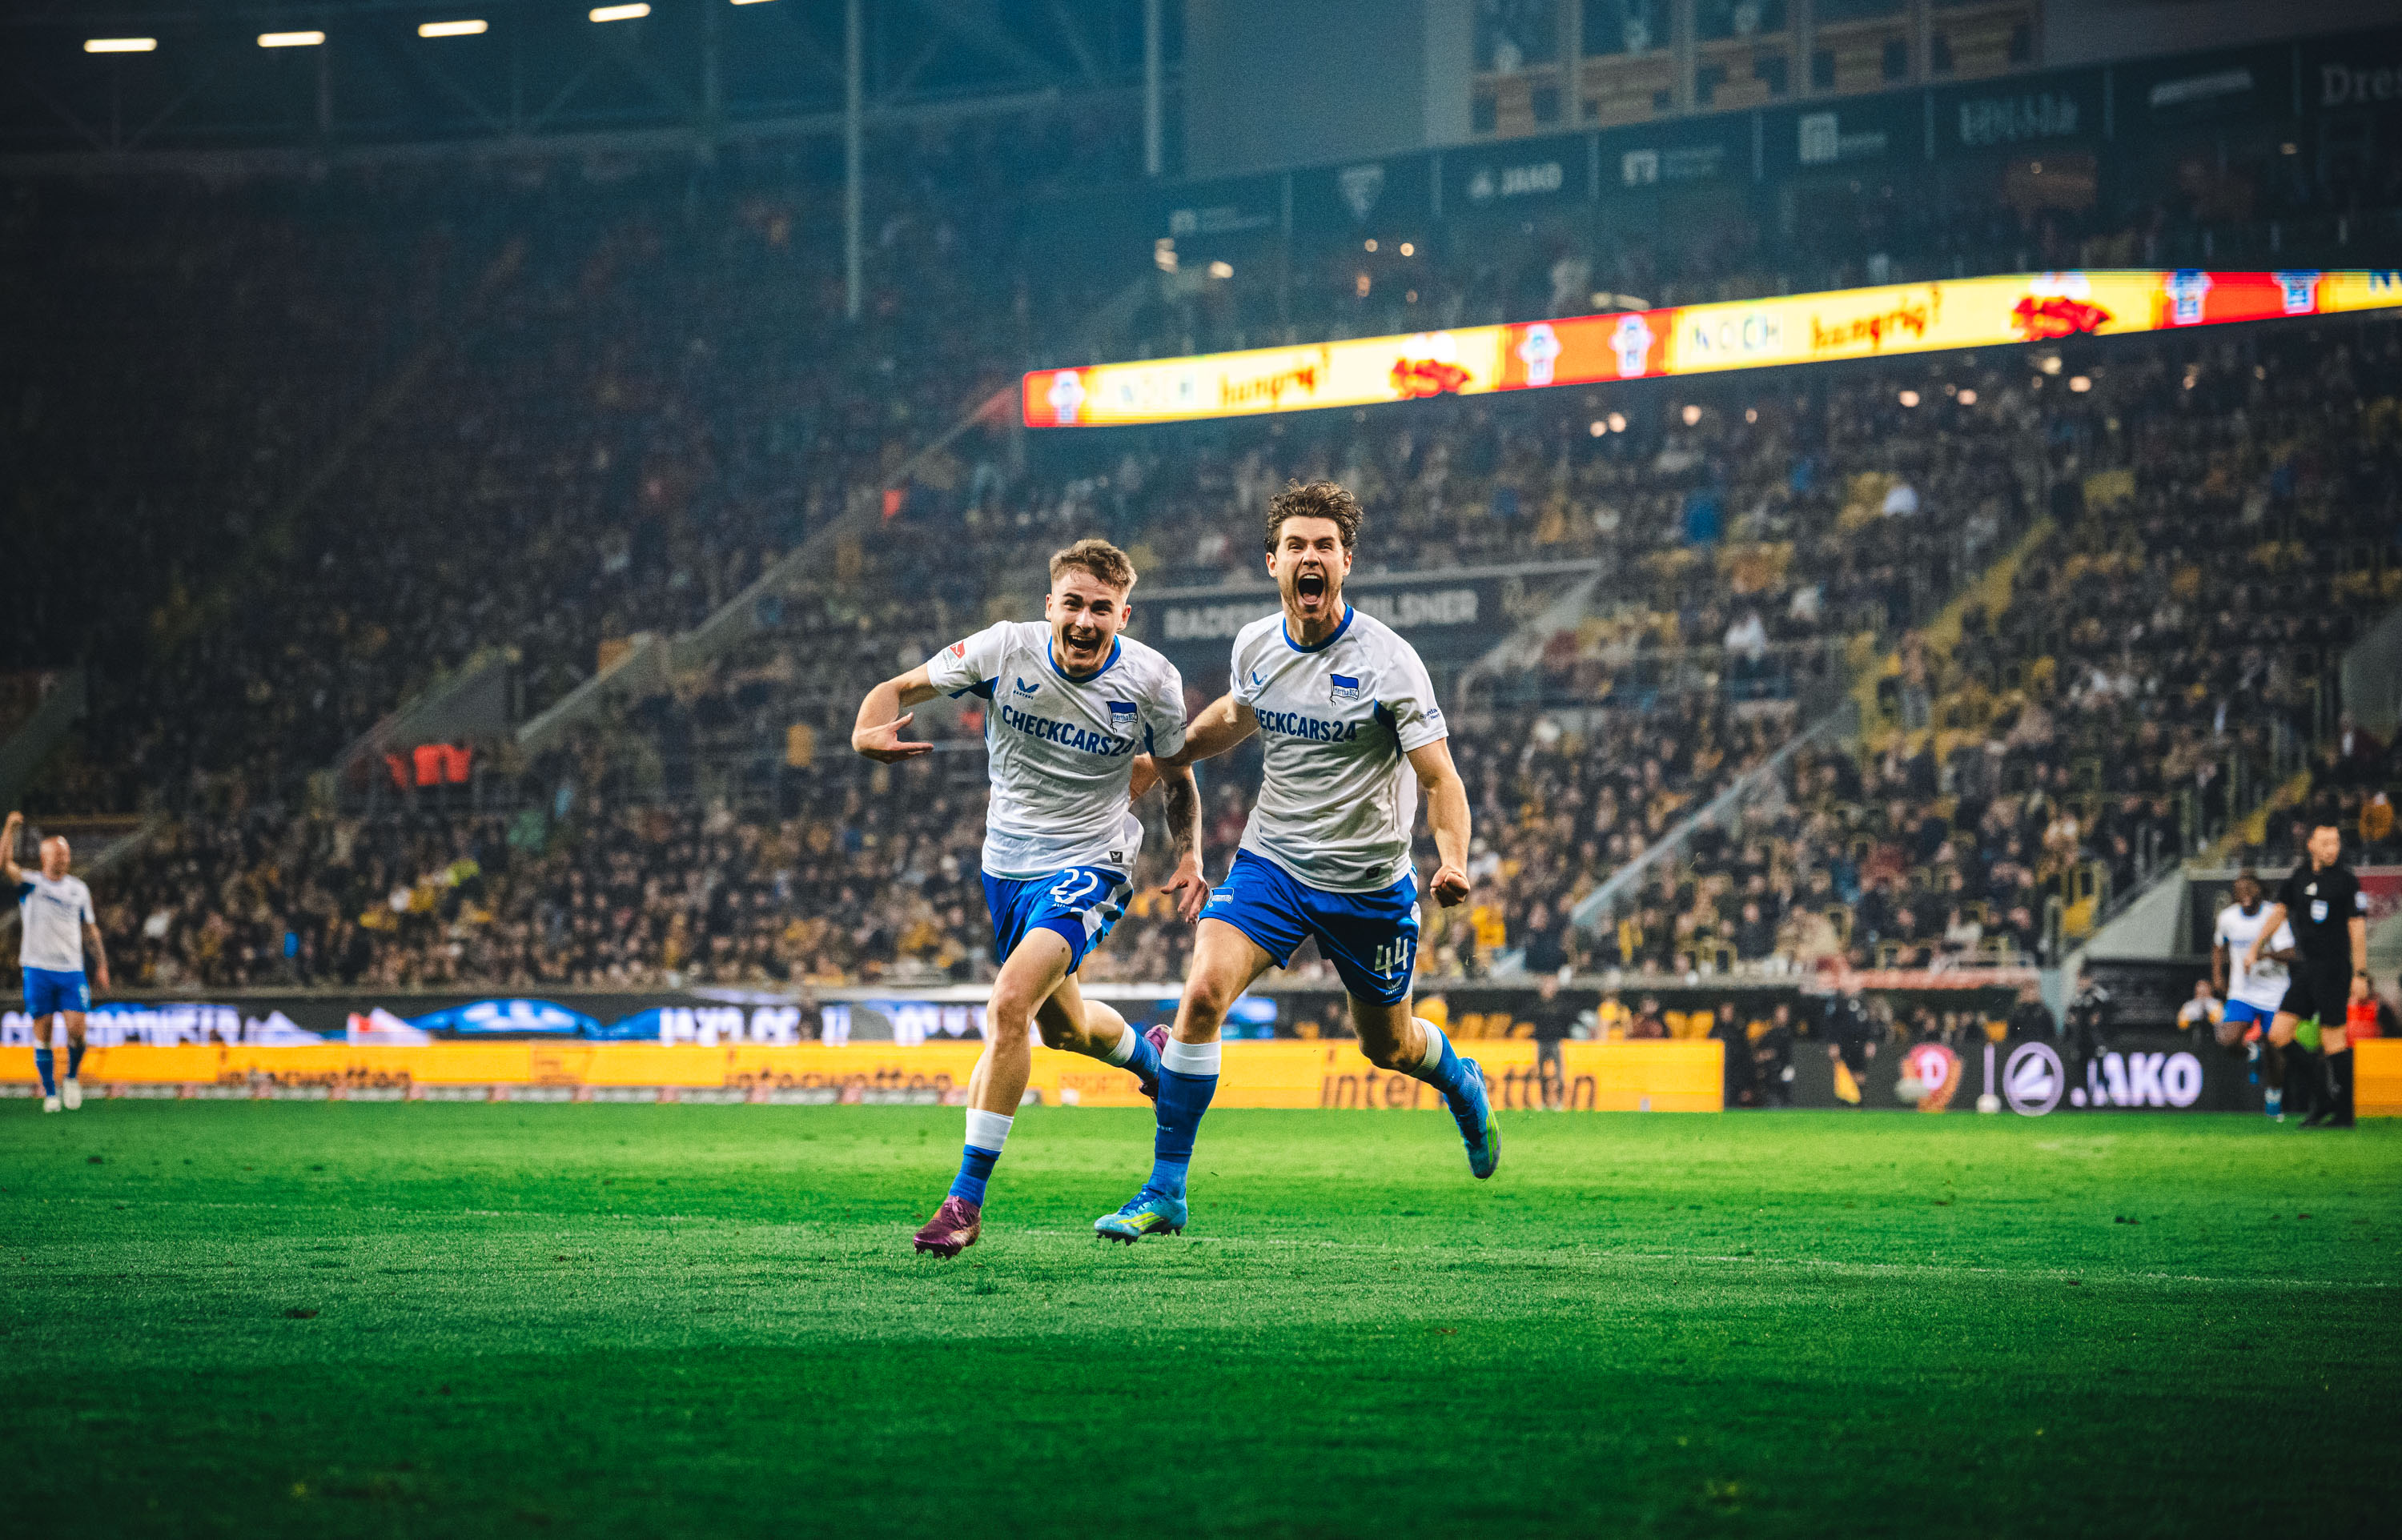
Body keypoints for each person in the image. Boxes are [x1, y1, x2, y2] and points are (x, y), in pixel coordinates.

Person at [1092, 481, 1492, 1242]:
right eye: (1297, 546)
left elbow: (1440, 776)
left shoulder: (1389, 663)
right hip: (1272, 864)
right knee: (1203, 992)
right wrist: (1161, 758)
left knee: (1390, 1047)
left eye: (1326, 547)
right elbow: (1237, 718)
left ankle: (1457, 1078)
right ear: (1272, 561)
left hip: (1369, 883)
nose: (1312, 558)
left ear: (1347, 562)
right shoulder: (1257, 646)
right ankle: (1166, 1192)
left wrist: (1452, 860)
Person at [850, 539, 1206, 1257]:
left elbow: (1176, 773)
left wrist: (1191, 852)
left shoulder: (1152, 682)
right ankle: (1152, 1060)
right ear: (1050, 606)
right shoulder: (1002, 650)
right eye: (1071, 604)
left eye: (1100, 608)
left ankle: (964, 1203)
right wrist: (865, 731)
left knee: (1008, 1005)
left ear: (1122, 615)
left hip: (1093, 863)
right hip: (1005, 868)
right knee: (1063, 1029)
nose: (1083, 620)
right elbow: (897, 689)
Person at [2241, 824, 2371, 1129]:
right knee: (2278, 1035)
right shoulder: (2298, 877)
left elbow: (2358, 930)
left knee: (2333, 1040)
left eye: (2336, 842)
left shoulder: (2347, 882)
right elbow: (2279, 913)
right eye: (2325, 842)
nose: (2332, 848)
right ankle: (2322, 1098)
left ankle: (2344, 1114)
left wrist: (2360, 973)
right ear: (2311, 844)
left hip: (2334, 969)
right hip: (2307, 969)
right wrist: (2255, 947)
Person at [4, 812, 110, 1113]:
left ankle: (72, 1077)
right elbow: (4, 866)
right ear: (43, 857)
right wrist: (9, 829)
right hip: (37, 970)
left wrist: (101, 964)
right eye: (58, 854)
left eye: (66, 854)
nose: (64, 859)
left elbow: (90, 929)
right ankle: (50, 1091)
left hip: (71, 971)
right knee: (44, 1032)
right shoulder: (30, 884)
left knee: (78, 1031)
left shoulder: (79, 889)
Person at [2207, 870, 2296, 1114]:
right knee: (2227, 1038)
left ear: (2260, 889)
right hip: (2242, 991)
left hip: (2274, 992)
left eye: (2250, 889)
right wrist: (2217, 976)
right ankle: (2250, 1049)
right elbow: (2218, 946)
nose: (2245, 895)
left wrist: (2263, 953)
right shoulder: (2228, 918)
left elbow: (2291, 953)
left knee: (2275, 1049)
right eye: (2239, 891)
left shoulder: (2273, 915)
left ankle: (2274, 1097)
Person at [1526, 970, 1578, 1109]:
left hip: (1556, 1041)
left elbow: (1569, 1017)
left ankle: (1559, 1103)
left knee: (1559, 1073)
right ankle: (1544, 1102)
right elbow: (1529, 1016)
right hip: (1541, 1041)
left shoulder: (1560, 1003)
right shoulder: (1537, 1003)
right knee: (1541, 1074)